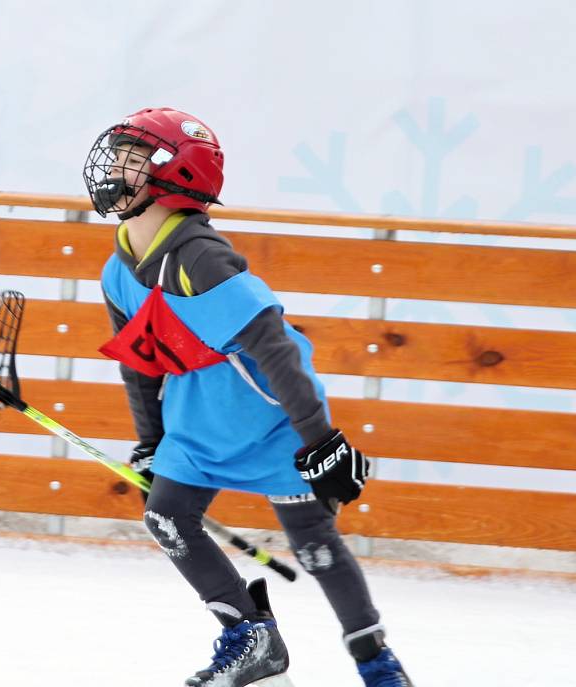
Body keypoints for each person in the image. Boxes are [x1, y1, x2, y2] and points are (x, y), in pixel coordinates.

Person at [83, 106, 414, 687]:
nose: (115, 168)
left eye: (133, 160)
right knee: (166, 517)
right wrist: (151, 440)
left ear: (173, 176)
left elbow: (276, 348)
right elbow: (142, 362)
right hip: (195, 424)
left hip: (271, 426)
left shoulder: (199, 259)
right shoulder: (118, 270)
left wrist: (321, 440)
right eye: (119, 156)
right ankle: (249, 635)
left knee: (314, 545)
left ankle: (376, 662)